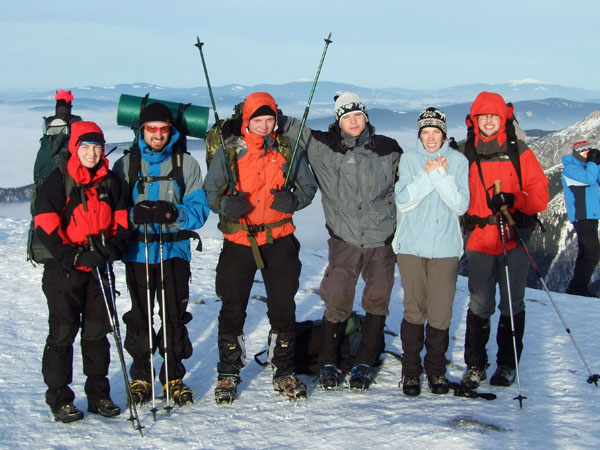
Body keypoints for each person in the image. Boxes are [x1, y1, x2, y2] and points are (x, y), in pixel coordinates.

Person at [282, 92, 403, 391]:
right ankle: (327, 362)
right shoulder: (324, 146)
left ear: (366, 117)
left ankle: (365, 361)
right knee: (337, 299)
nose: (353, 121)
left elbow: (410, 179)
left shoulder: (389, 148)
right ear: (338, 119)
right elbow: (296, 130)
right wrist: (263, 113)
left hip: (381, 238)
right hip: (344, 238)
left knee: (378, 299)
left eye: (358, 116)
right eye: (347, 116)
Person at [203, 92, 317, 403]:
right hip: (239, 240)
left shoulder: (286, 150)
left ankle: (284, 371)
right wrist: (227, 205)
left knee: (283, 307)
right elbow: (210, 191)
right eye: (258, 120)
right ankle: (227, 373)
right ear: (247, 122)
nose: (265, 126)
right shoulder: (229, 152)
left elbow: (308, 187)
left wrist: (293, 201)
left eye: (269, 120)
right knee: (232, 307)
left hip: (279, 238)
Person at [113, 102, 210, 406]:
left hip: (174, 251)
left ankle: (173, 376)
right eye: (152, 128)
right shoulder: (126, 165)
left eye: (164, 128)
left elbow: (199, 212)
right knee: (140, 317)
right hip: (137, 252)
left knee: (173, 317)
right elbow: (113, 213)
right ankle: (141, 376)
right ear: (141, 130)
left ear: (172, 130)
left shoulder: (187, 165)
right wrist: (133, 216)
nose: (158, 134)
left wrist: (172, 212)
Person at [34, 121, 130, 423]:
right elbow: (46, 225)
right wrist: (72, 255)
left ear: (103, 148)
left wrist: (112, 249)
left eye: (97, 146)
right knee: (62, 334)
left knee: (97, 333)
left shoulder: (111, 182)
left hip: (99, 267)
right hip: (64, 270)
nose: (91, 153)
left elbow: (124, 221)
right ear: (75, 148)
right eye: (85, 146)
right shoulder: (58, 180)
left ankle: (98, 393)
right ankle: (60, 397)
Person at [459, 92, 549, 389]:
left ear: (503, 118)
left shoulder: (520, 153)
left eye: (493, 116)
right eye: (482, 116)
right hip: (480, 241)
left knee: (512, 303)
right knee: (480, 304)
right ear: (475, 119)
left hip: (513, 238)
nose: (487, 121)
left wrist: (514, 199)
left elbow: (539, 197)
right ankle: (476, 364)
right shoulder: (465, 153)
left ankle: (507, 365)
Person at [392, 107, 469, 396]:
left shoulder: (459, 162)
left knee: (440, 314)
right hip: (411, 247)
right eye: (426, 132)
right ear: (419, 134)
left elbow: (460, 204)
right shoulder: (410, 159)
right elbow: (403, 200)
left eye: (436, 132)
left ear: (444, 134)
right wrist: (427, 178)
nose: (431, 138)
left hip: (446, 248)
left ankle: (435, 371)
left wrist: (438, 174)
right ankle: (411, 372)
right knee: (414, 310)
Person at [562, 140, 600, 297]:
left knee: (585, 252)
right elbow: (589, 179)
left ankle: (576, 287)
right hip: (581, 215)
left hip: (591, 215)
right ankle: (577, 287)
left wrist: (597, 164)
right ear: (577, 154)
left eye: (589, 151)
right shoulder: (570, 170)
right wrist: (592, 162)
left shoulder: (586, 168)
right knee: (593, 252)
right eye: (584, 152)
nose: (587, 154)